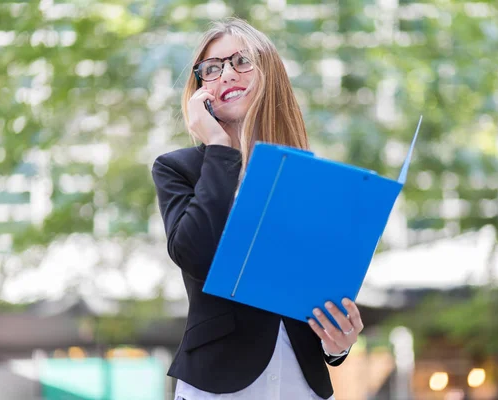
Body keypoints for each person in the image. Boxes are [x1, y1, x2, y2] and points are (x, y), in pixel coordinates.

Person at [151, 17, 365, 400]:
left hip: (301, 384)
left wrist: (338, 343)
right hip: (217, 385)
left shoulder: (310, 178)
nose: (226, 74)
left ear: (270, 75)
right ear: (200, 90)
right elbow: (195, 255)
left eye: (241, 61)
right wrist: (219, 147)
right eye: (212, 69)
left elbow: (319, 288)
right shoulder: (177, 168)